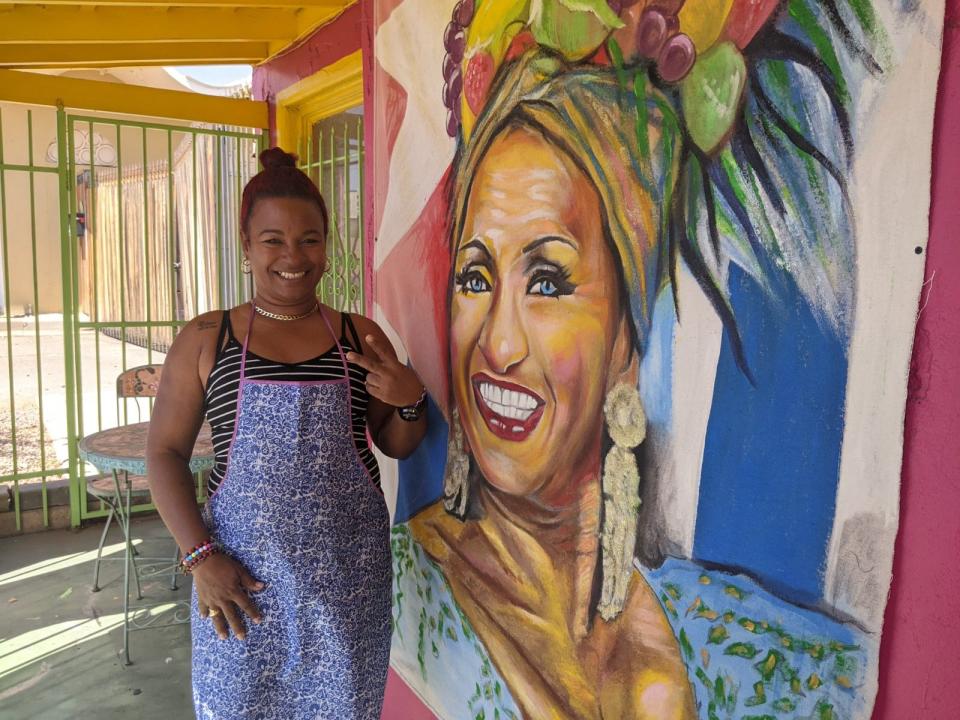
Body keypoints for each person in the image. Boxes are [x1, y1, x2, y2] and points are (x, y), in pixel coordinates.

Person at [391, 4, 876, 715]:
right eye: (474, 277)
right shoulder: (409, 585)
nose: (497, 343)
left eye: (548, 281)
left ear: (627, 339)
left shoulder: (770, 656)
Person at [147, 147, 427, 719]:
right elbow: (165, 453)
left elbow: (395, 442)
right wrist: (200, 560)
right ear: (247, 248)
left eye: (310, 239)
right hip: (238, 585)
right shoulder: (207, 338)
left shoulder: (361, 334)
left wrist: (411, 400)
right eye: (272, 240)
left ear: (328, 245)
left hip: (346, 585)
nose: (293, 256)